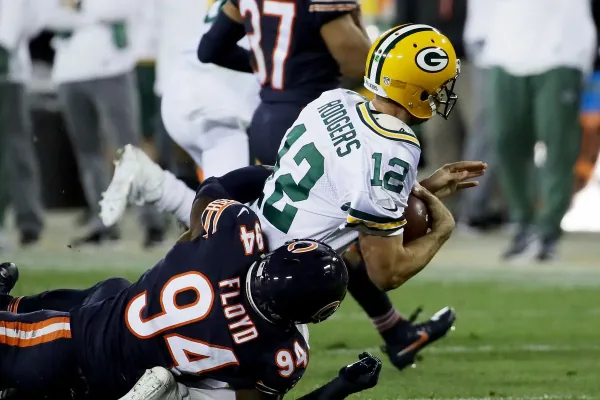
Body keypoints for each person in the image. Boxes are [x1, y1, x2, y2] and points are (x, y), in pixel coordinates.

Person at [102, 24, 487, 373]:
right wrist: (442, 230)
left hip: (230, 244)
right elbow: (386, 272)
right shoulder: (395, 149)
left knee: (114, 336)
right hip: (261, 289)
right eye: (438, 85)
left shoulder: (335, 101)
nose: (443, 94)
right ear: (416, 88)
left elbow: (334, 192)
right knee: (279, 364)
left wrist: (423, 187)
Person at [0, 198, 376, 399]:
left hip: (76, 343)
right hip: (116, 381)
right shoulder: (278, 354)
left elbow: (212, 192)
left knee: (110, 296)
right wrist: (342, 385)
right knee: (111, 289)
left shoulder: (234, 235)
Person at [45, 0, 165, 247]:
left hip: (111, 69)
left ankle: (151, 223)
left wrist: (78, 6)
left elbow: (124, 7)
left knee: (128, 150)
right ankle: (104, 224)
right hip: (68, 72)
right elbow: (45, 16)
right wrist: (88, 13)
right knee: (87, 152)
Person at [483, 0, 596, 261]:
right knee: (506, 141)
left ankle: (548, 229)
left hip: (560, 55)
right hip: (504, 52)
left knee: (558, 147)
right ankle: (523, 221)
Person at [197, 0, 371, 166]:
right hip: (311, 123)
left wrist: (271, 66)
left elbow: (210, 49)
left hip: (264, 120)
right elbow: (361, 66)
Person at [158, 0, 259, 180]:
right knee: (228, 194)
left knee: (214, 188)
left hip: (179, 92)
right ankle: (154, 186)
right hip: (218, 107)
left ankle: (155, 183)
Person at [0, 0, 45, 250]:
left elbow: (31, 17)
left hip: (8, 74)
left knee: (14, 151)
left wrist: (6, 45)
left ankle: (28, 222)